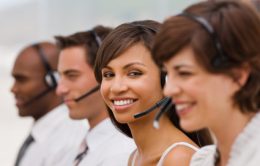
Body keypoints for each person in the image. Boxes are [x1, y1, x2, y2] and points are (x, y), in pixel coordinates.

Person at [152, 1, 260, 166]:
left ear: (238, 75)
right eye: (167, 73)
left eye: (184, 73)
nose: (168, 90)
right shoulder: (201, 161)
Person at [94, 20, 212, 166]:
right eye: (108, 74)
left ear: (169, 80)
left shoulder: (179, 159)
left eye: (134, 73)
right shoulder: (135, 157)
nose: (116, 88)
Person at [55, 25, 136, 166]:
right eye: (60, 76)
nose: (60, 89)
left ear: (104, 75)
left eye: (72, 75)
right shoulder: (82, 146)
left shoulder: (119, 154)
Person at [11, 41, 86, 166]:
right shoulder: (43, 134)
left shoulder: (67, 141)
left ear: (54, 81)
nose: (13, 88)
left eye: (21, 79)